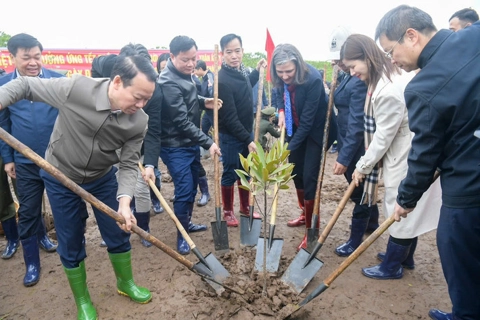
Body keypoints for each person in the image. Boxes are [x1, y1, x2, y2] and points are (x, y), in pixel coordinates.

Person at [0, 54, 157, 320]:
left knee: (118, 231)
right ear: (117, 82)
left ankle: (125, 283)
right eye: (137, 97)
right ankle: (83, 299)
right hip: (60, 176)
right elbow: (25, 86)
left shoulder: (138, 121)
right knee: (70, 239)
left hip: (102, 176)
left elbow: (130, 164)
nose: (141, 105)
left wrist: (124, 202)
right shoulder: (76, 88)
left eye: (147, 99)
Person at [376, 5, 480, 320]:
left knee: (454, 245)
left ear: (412, 36)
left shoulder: (423, 87)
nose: (391, 60)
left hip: (469, 184)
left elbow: (424, 155)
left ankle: (465, 314)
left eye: (390, 51)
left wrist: (405, 200)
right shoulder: (475, 35)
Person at [341, 33, 442, 280]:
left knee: (399, 209)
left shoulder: (387, 90)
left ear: (367, 57)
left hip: (404, 155)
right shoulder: (388, 77)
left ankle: (392, 266)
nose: (352, 73)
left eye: (354, 66)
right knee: (407, 210)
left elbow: (383, 136)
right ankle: (404, 258)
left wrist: (362, 166)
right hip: (408, 150)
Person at [0, 33, 60, 286]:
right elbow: (3, 124)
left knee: (65, 207)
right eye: (26, 58)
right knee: (28, 211)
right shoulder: (4, 86)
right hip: (24, 163)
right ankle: (32, 263)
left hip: (58, 161)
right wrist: (8, 158)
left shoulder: (57, 81)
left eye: (37, 56)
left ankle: (61, 246)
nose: (33, 62)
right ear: (13, 57)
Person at [91, 43, 163, 248]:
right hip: (111, 142)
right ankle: (113, 228)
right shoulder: (107, 67)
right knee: (114, 185)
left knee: (140, 187)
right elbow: (95, 66)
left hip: (138, 141)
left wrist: (149, 164)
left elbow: (154, 130)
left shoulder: (155, 92)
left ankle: (143, 228)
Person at [158, 35, 221, 254]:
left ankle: (187, 224)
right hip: (174, 146)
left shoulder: (187, 75)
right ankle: (182, 237)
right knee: (184, 189)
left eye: (194, 58)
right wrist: (209, 142)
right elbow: (181, 120)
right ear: (172, 56)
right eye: (185, 59)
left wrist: (205, 102)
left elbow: (190, 99)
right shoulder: (167, 81)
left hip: (189, 143)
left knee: (193, 183)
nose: (191, 64)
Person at [271, 43, 337, 251]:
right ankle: (303, 212)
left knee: (310, 177)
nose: (285, 76)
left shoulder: (313, 80)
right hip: (295, 128)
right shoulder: (279, 77)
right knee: (296, 172)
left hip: (316, 132)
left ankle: (312, 230)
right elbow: (278, 95)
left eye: (289, 71)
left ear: (297, 65)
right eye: (280, 72)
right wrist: (281, 111)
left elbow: (308, 123)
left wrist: (286, 150)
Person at [327, 26, 379, 257]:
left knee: (358, 191)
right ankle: (371, 224)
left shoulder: (358, 81)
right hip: (347, 139)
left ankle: (355, 240)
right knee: (365, 189)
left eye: (342, 61)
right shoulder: (348, 77)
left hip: (357, 145)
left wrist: (344, 158)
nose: (339, 65)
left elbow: (357, 124)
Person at [217, 33, 265, 227]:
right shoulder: (222, 79)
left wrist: (257, 71)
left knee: (245, 172)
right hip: (230, 135)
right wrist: (248, 139)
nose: (234, 56)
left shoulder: (242, 72)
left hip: (245, 133)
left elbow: (246, 86)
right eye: (229, 52)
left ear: (242, 51)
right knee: (230, 171)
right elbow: (230, 118)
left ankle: (245, 207)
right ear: (222, 54)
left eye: (237, 51)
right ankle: (228, 211)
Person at [193, 59, 213, 206]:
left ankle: (205, 192)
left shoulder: (206, 78)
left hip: (209, 110)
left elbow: (207, 94)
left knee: (196, 163)